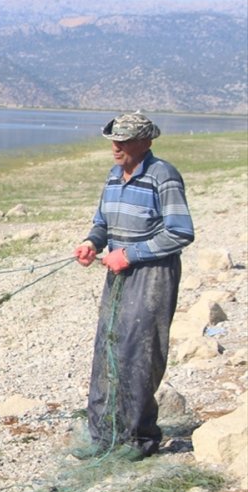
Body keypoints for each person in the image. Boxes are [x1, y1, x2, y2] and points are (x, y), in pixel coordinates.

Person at [73, 112, 194, 459]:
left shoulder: (164, 176)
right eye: (114, 140)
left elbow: (180, 232)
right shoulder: (113, 176)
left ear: (146, 143)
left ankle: (138, 440)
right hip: (118, 271)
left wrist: (130, 254)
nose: (116, 147)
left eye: (124, 141)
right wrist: (92, 243)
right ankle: (103, 437)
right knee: (107, 348)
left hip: (153, 275)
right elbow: (101, 223)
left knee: (139, 353)